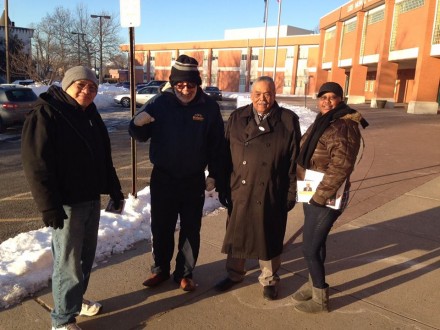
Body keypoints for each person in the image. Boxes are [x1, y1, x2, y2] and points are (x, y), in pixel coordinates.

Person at [21, 66, 124, 330]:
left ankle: (74, 302)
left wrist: (114, 189)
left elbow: (103, 156)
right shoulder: (46, 113)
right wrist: (49, 206)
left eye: (92, 87)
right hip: (66, 203)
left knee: (85, 258)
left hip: (90, 199)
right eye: (81, 85)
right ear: (66, 85)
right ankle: (62, 320)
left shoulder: (89, 113)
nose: (87, 91)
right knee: (68, 264)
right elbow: (36, 164)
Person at [128, 55, 225, 292]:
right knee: (161, 227)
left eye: (190, 84)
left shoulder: (209, 107)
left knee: (191, 229)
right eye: (179, 84)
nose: (185, 89)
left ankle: (185, 273)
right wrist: (136, 125)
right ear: (172, 83)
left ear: (197, 84)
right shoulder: (159, 103)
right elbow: (140, 135)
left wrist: (215, 173)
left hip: (192, 179)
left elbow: (217, 145)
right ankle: (160, 269)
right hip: (163, 177)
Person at [215, 76, 301, 300]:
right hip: (240, 189)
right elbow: (224, 156)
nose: (262, 99)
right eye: (258, 93)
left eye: (268, 94)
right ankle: (234, 274)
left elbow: (294, 161)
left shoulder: (288, 120)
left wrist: (292, 193)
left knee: (269, 236)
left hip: (271, 190)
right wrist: (224, 186)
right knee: (238, 234)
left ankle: (270, 279)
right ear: (251, 94)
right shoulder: (237, 117)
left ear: (274, 94)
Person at [292, 81, 368, 313]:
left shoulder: (343, 126)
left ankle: (320, 298)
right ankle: (313, 282)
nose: (326, 101)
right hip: (311, 188)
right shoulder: (325, 120)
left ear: (340, 100)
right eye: (322, 97)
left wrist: (320, 196)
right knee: (317, 242)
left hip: (326, 195)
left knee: (309, 248)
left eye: (332, 97)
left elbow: (341, 166)